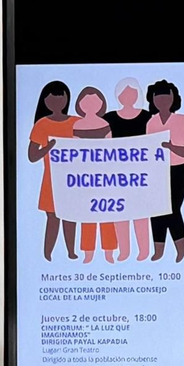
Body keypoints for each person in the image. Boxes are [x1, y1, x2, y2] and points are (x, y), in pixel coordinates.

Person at [144, 78, 184, 261]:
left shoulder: (182, 120)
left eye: (166, 97)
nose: (162, 101)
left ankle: (180, 251)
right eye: (159, 97)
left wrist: (171, 146)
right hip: (157, 172)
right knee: (156, 210)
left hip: (177, 170)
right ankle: (158, 251)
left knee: (173, 210)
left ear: (174, 98)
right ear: (153, 100)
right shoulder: (151, 122)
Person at [103, 77, 153, 260]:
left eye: (132, 92)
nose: (128, 96)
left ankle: (144, 251)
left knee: (142, 215)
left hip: (142, 177)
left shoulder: (148, 117)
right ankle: (124, 251)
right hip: (117, 177)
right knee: (121, 215)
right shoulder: (109, 118)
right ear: (118, 95)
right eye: (124, 93)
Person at [28, 79, 77, 260]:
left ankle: (71, 252)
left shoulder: (76, 122)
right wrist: (49, 147)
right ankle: (47, 254)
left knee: (70, 218)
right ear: (45, 101)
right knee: (53, 219)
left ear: (66, 99)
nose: (57, 103)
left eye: (60, 98)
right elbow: (32, 156)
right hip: (51, 181)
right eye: (52, 99)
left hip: (74, 181)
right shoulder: (42, 124)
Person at [71, 86, 119, 263]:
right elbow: (75, 151)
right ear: (80, 104)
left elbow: (110, 149)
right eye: (86, 100)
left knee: (107, 215)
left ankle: (109, 252)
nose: (90, 104)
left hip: (105, 178)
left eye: (94, 100)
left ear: (101, 103)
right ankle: (88, 252)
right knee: (87, 215)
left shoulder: (105, 124)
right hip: (85, 179)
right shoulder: (77, 125)